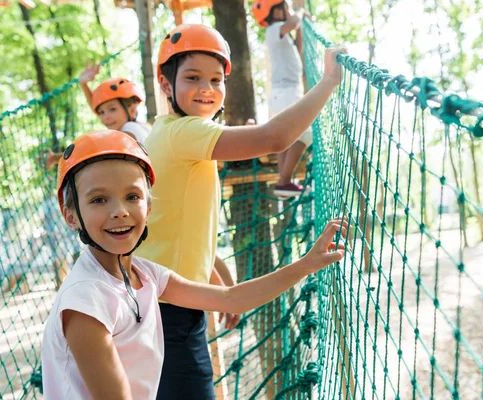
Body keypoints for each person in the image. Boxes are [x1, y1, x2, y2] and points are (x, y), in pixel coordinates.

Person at [40, 129, 347, 400]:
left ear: (148, 206)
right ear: (71, 216)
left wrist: (306, 264)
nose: (119, 211)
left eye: (132, 196)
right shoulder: (85, 303)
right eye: (98, 200)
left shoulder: (145, 275)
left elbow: (231, 298)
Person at [136, 23, 346, 398]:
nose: (207, 89)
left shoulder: (169, 132)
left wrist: (215, 274)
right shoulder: (185, 133)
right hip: (170, 315)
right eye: (193, 77)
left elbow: (172, 223)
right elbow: (274, 138)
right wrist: (329, 81)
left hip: (165, 304)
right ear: (166, 86)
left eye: (217, 80)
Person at [252, 0, 312, 197]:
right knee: (305, 133)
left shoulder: (280, 34)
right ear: (276, 11)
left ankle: (283, 181)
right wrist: (300, 12)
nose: (288, 11)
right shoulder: (274, 29)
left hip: (284, 92)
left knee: (287, 136)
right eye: (284, 7)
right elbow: (293, 22)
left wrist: (301, 28)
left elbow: (298, 51)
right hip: (286, 91)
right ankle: (284, 181)